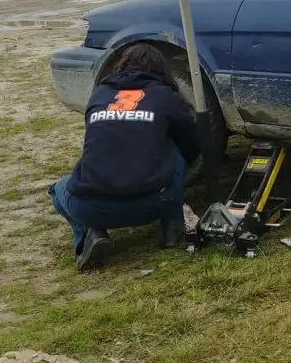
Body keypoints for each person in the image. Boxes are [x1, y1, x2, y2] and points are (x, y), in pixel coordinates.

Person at [48, 44, 201, 271]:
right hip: (154, 203)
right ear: (162, 69)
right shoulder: (167, 97)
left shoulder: (99, 94)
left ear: (121, 66)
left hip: (90, 206)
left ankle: (90, 234)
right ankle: (172, 227)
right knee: (176, 154)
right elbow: (191, 143)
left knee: (57, 189)